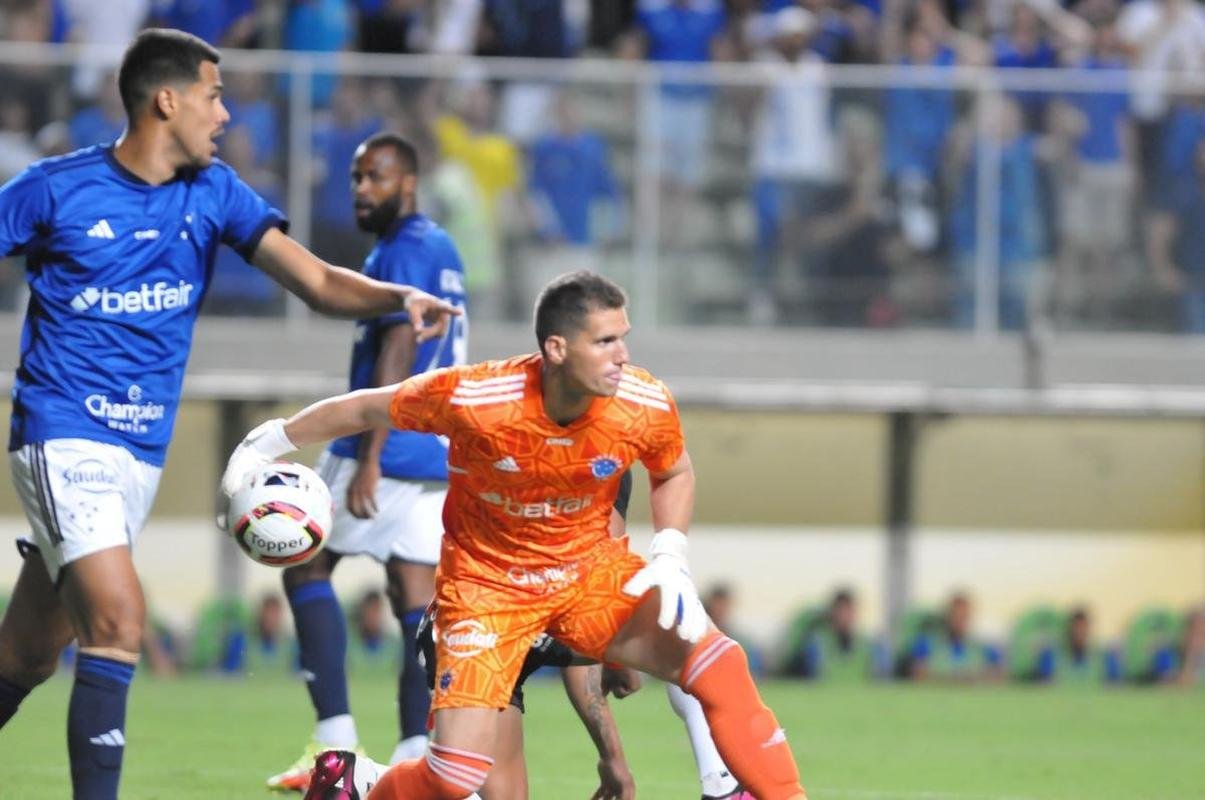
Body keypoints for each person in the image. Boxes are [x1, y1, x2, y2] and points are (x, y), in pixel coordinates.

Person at [0, 29, 458, 800]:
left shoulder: (213, 192)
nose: (226, 113)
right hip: (61, 429)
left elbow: (313, 281)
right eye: (214, 96)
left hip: (140, 451)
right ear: (166, 100)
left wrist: (396, 297)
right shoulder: (55, 189)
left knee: (27, 657)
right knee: (116, 621)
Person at [221, 270, 806, 800]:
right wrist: (265, 443)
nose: (622, 355)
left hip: (588, 576)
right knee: (453, 776)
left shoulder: (642, 402)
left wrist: (671, 552)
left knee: (719, 663)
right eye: (605, 341)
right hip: (487, 593)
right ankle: (357, 784)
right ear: (557, 348)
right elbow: (366, 409)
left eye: (623, 338)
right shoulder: (477, 398)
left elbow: (673, 470)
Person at [268, 131, 469, 792]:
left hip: (383, 447)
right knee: (415, 597)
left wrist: (372, 455)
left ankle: (333, 743)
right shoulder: (439, 246)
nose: (360, 190)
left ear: (406, 183)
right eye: (356, 177)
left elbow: (400, 349)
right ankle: (417, 757)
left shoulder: (403, 250)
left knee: (301, 560)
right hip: (437, 454)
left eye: (374, 177)